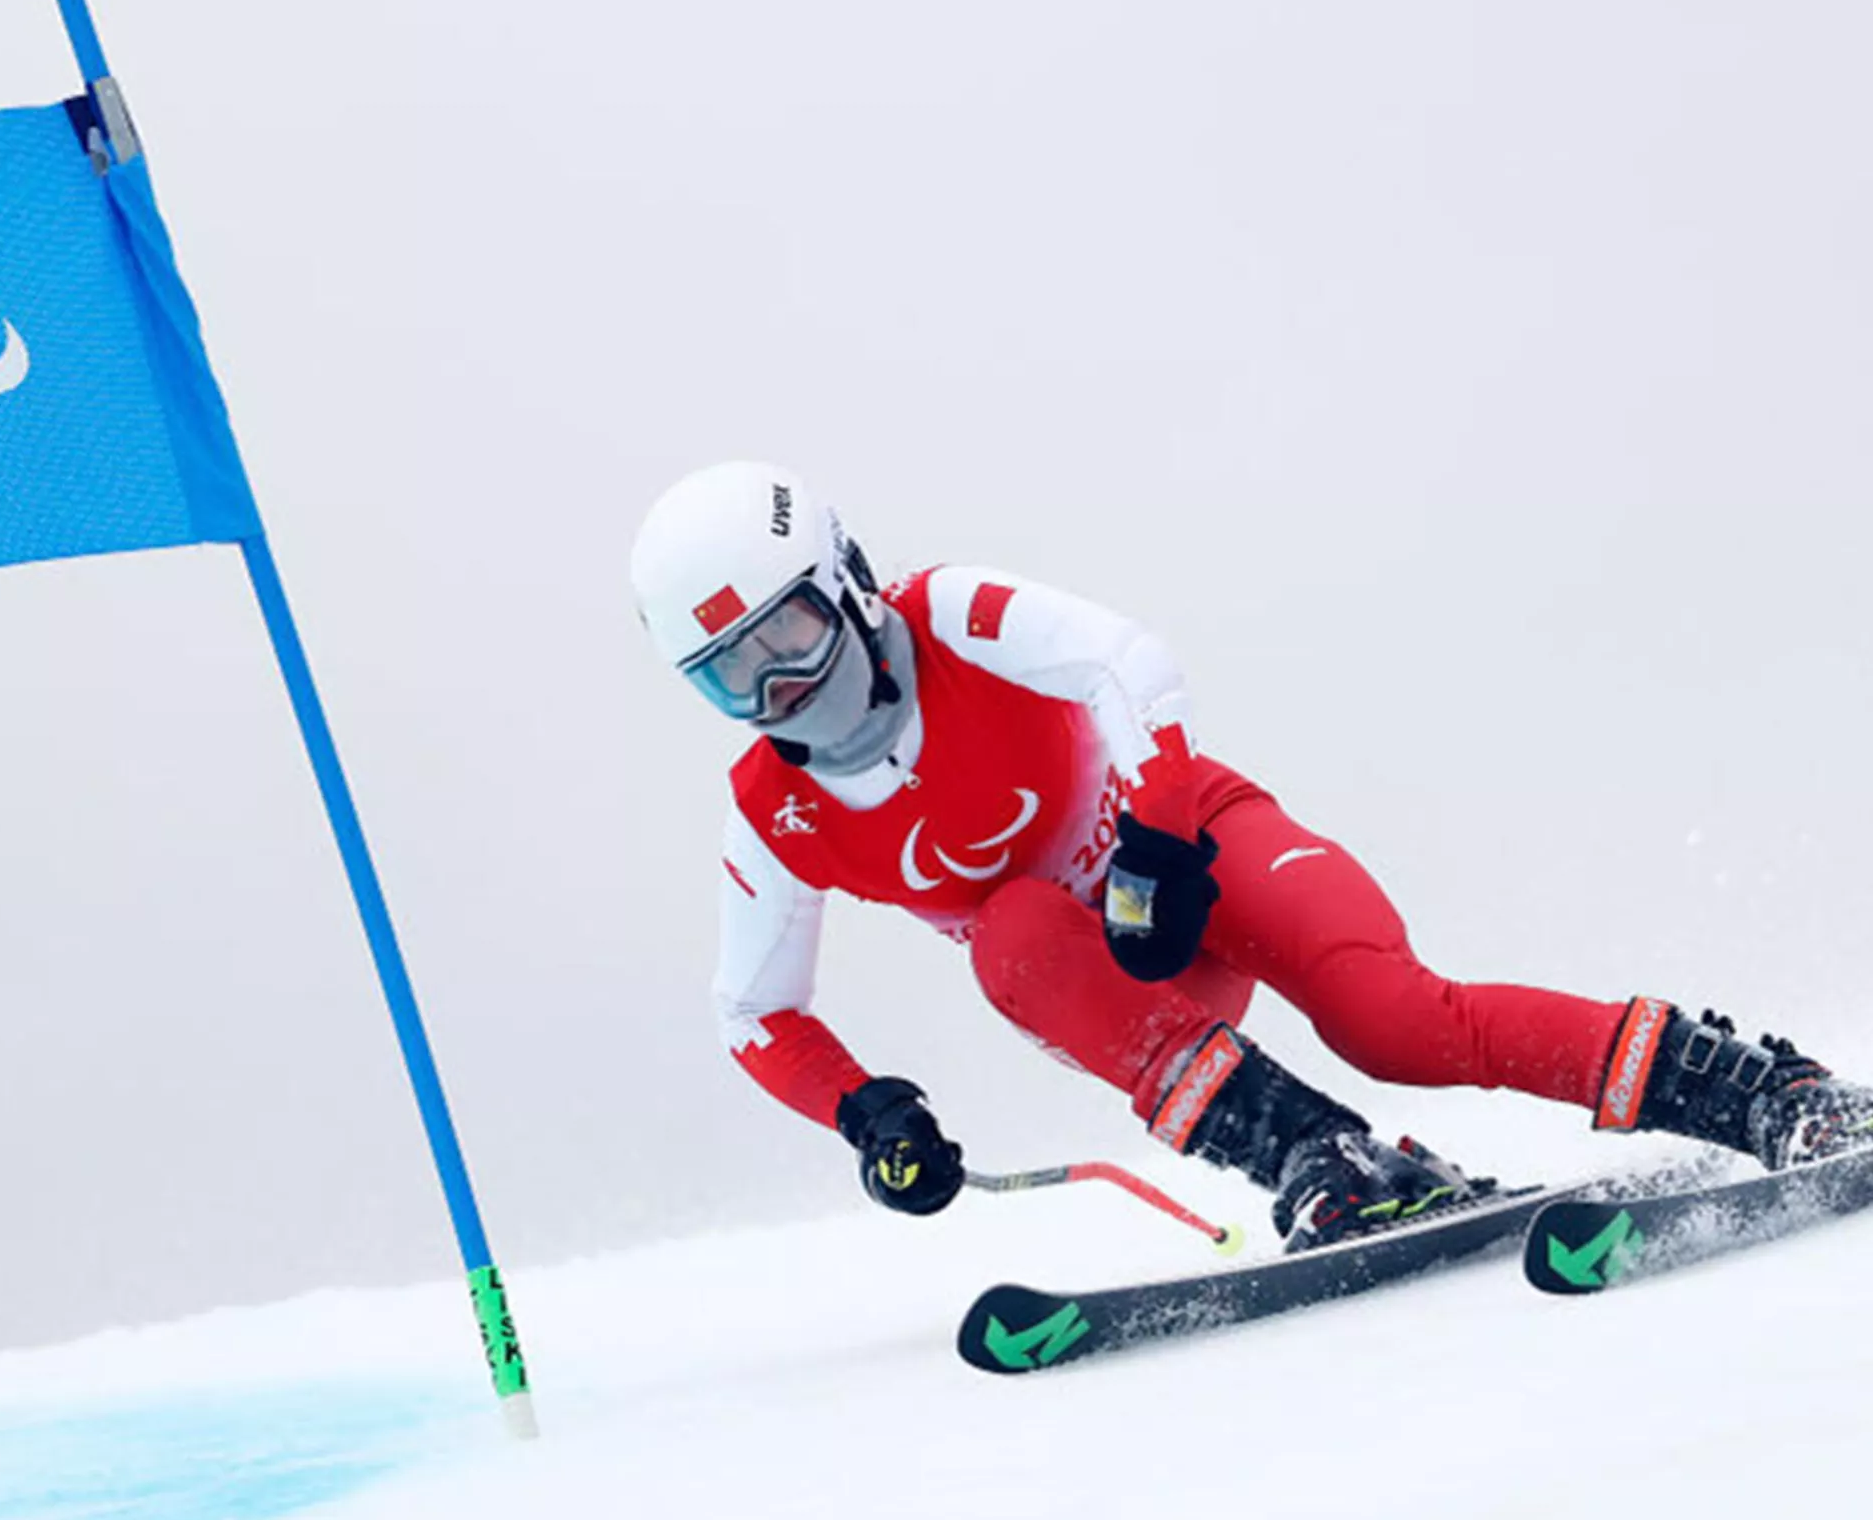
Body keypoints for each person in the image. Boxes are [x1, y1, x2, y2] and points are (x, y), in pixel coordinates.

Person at [629, 460, 1873, 1249]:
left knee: (1394, 1021)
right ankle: (1317, 1156)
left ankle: (1763, 1091)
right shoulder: (772, 811)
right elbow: (752, 1010)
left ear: (845, 578)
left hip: (1194, 856)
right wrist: (863, 1111)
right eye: (731, 677)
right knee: (1010, 936)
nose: (780, 689)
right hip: (1123, 982)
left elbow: (1127, 658)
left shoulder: (946, 612)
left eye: (790, 634)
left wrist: (1155, 833)